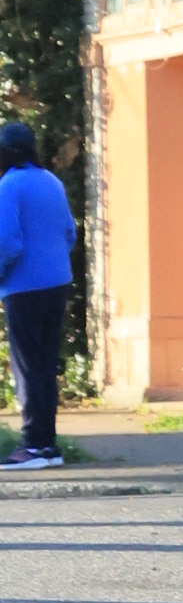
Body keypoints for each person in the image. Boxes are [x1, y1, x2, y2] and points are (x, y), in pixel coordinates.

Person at [0, 118, 75, 473]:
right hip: (57, 284)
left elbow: (7, 243)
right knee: (45, 366)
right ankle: (48, 446)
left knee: (27, 367)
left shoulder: (9, 185)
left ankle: (32, 445)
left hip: (23, 287)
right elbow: (69, 233)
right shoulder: (51, 181)